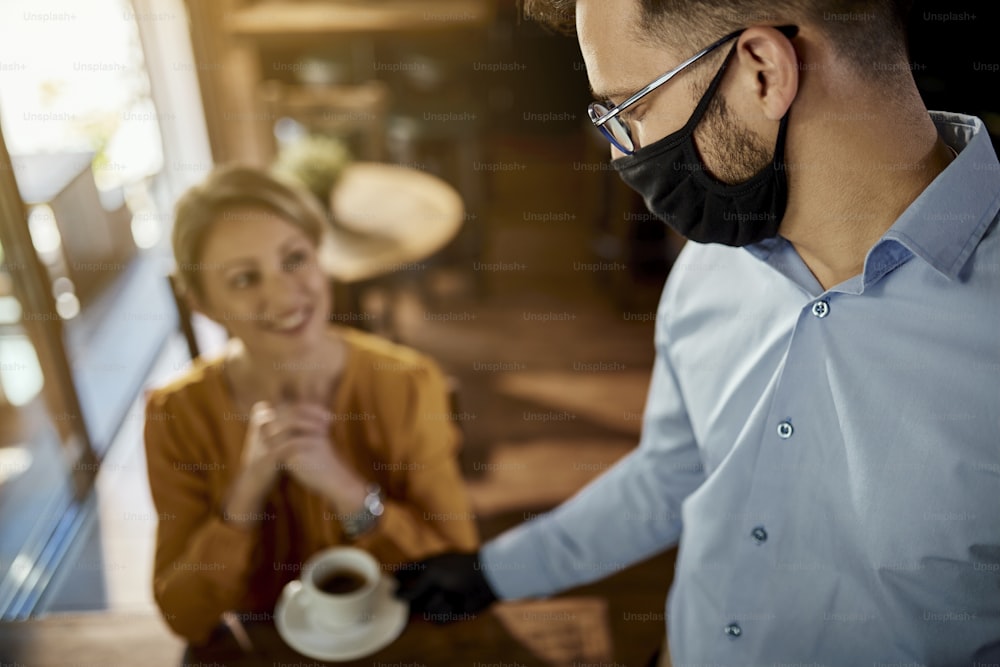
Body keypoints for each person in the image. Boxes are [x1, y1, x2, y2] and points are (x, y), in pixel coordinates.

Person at [394, 0, 1000, 664]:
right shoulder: (710, 266)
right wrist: (493, 572)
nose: (626, 148)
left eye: (632, 107)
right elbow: (673, 473)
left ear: (763, 71)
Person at [144, 165, 478, 644]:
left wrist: (348, 491)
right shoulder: (174, 415)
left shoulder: (408, 383)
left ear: (322, 257)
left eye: (295, 258)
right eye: (243, 279)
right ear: (202, 304)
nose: (282, 294)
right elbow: (184, 616)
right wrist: (244, 495)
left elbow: (458, 566)